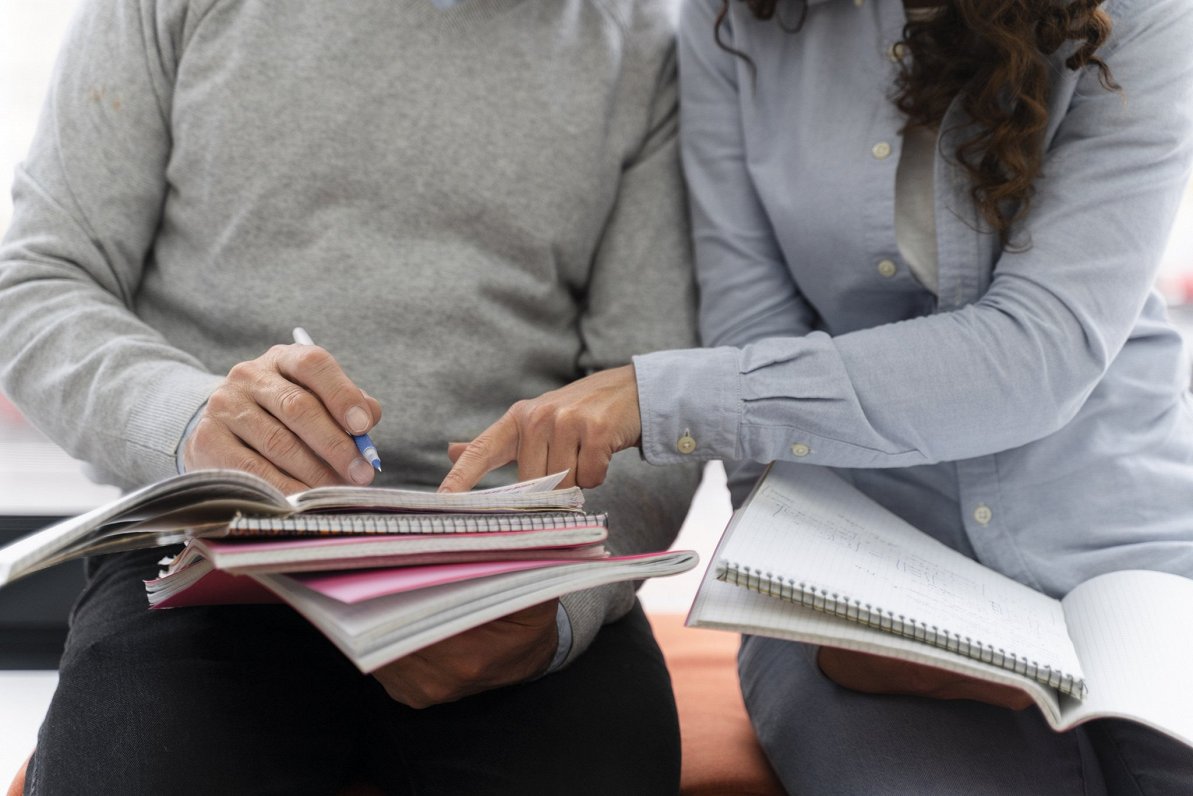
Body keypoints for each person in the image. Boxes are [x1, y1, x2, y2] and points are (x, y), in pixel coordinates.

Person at [442, 0, 1193, 791]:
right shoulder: (734, 18)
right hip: (866, 580)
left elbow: (1039, 351)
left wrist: (658, 397)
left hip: (1125, 560)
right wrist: (824, 598)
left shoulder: (1134, 14)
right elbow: (751, 330)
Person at [0, 1, 702, 793]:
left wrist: (563, 619)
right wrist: (193, 424)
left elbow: (660, 397)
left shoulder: (640, 44)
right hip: (215, 556)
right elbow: (38, 285)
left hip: (515, 586)